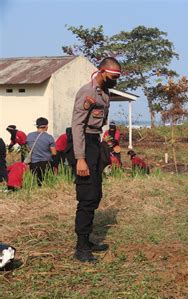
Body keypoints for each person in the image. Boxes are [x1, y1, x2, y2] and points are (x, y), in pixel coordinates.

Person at [71, 57, 121, 262]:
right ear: (102, 72)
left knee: (96, 193)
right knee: (87, 196)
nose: (115, 80)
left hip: (95, 143)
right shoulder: (88, 92)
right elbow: (77, 126)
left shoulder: (105, 94)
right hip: (84, 144)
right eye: (113, 76)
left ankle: (87, 240)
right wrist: (80, 158)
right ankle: (81, 248)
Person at [26, 117, 57, 186]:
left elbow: (29, 149)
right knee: (46, 183)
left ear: (37, 126)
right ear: (46, 126)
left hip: (33, 164)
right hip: (46, 163)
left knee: (37, 183)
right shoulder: (49, 137)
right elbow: (54, 153)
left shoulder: (29, 136)